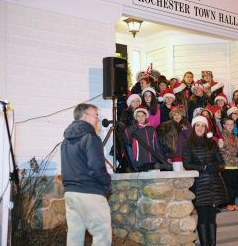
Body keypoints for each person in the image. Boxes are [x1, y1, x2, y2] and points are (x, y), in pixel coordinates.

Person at [61, 103, 112, 246]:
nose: (98, 119)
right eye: (95, 115)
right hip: (90, 192)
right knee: (102, 234)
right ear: (85, 116)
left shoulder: (66, 141)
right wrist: (107, 183)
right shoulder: (91, 137)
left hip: (71, 193)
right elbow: (96, 167)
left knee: (74, 237)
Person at [182, 116, 228, 246]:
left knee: (212, 218)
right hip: (199, 185)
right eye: (198, 125)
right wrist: (204, 167)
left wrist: (216, 167)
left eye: (203, 126)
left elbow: (222, 163)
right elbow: (187, 164)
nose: (200, 128)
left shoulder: (211, 143)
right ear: (194, 127)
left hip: (214, 184)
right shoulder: (188, 143)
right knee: (202, 217)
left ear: (206, 128)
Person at [123, 106, 163, 171]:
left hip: (151, 160)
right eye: (138, 116)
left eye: (142, 115)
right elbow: (126, 139)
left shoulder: (151, 129)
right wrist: (135, 126)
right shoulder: (133, 129)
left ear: (146, 116)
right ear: (135, 118)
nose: (141, 118)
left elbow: (157, 145)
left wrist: (163, 158)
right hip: (139, 161)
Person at [220, 118, 238, 211]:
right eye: (228, 124)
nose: (230, 126)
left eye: (232, 124)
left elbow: (237, 148)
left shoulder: (235, 136)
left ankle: (232, 203)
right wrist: (234, 153)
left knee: (234, 184)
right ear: (224, 125)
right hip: (226, 162)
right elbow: (221, 149)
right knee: (227, 184)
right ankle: (227, 203)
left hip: (234, 163)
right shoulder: (221, 135)